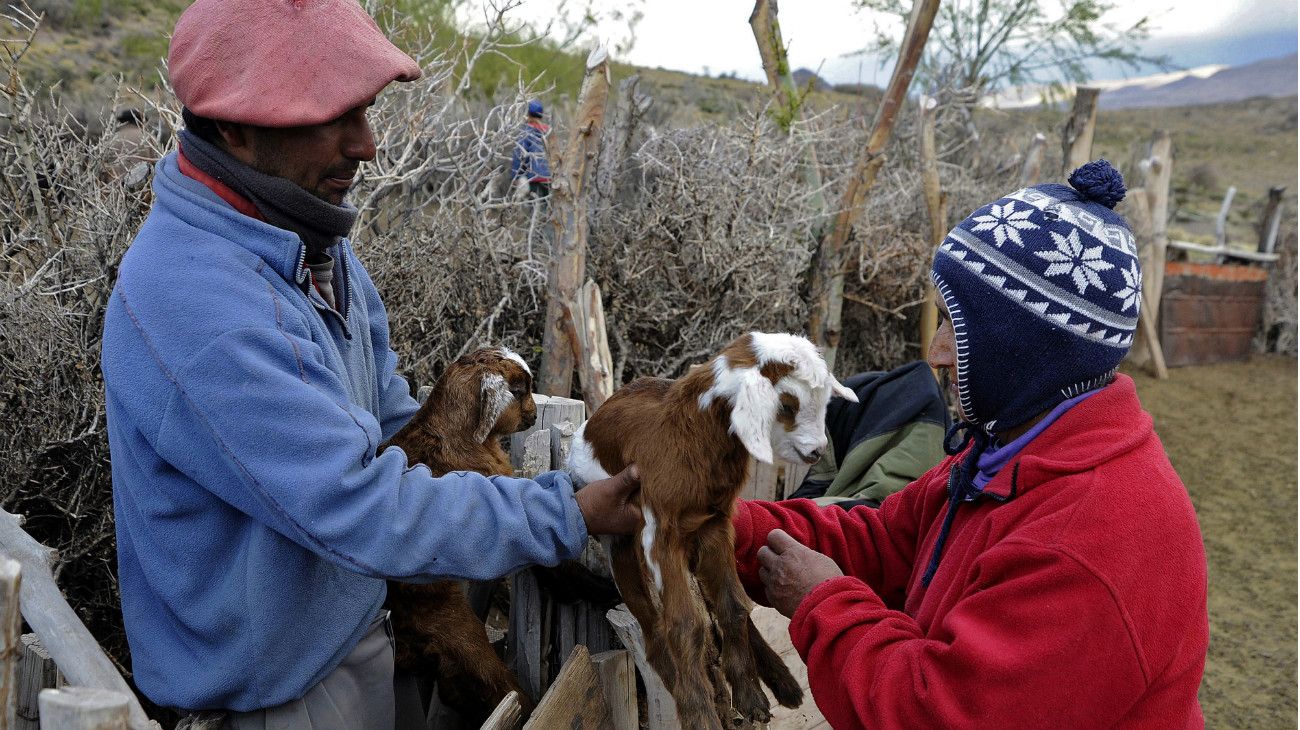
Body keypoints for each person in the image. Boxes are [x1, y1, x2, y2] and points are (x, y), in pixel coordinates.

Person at [99, 2, 638, 728]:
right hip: (274, 695)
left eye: (367, 110)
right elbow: (357, 503)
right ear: (234, 127)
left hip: (351, 633)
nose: (369, 144)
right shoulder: (196, 302)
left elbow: (394, 429)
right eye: (335, 116)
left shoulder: (307, 243)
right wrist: (562, 512)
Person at [598, 160, 1209, 728]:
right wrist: (729, 524)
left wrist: (822, 602)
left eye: (955, 325)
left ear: (1022, 354)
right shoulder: (1012, 452)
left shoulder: (1093, 541)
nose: (937, 352)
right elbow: (888, 541)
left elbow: (935, 711)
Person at [510, 100, 551, 198]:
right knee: (547, 207)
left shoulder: (526, 131)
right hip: (550, 177)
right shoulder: (549, 131)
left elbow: (519, 154)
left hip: (534, 178)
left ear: (528, 113)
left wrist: (516, 175)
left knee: (535, 208)